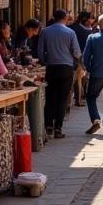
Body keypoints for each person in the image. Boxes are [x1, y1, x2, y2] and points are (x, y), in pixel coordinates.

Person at [37, 8, 81, 139]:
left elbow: (40, 51)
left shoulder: (45, 31)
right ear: (66, 18)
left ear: (53, 17)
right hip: (66, 68)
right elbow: (77, 52)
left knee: (50, 97)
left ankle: (48, 126)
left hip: (51, 68)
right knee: (63, 99)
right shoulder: (70, 32)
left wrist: (46, 61)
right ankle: (58, 128)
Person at [70, 11, 94, 106]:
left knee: (76, 80)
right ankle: (78, 100)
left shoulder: (71, 27)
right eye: (91, 19)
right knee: (79, 80)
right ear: (86, 20)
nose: (92, 21)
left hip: (72, 57)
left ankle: (76, 99)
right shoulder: (85, 30)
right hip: (80, 58)